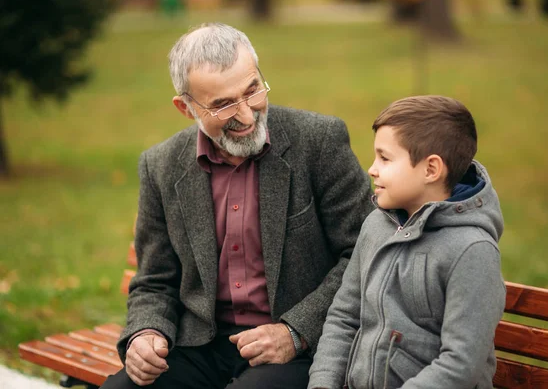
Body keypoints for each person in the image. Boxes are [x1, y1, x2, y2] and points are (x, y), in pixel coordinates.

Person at [101, 22, 373, 389]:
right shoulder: (161, 165)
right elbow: (154, 280)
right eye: (224, 104)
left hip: (301, 347)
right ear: (186, 108)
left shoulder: (319, 142)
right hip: (200, 344)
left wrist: (295, 331)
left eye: (252, 90)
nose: (246, 115)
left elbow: (363, 252)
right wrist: (145, 333)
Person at [308, 95, 506, 389]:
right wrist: (323, 384)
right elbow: (344, 318)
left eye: (385, 158)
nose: (372, 169)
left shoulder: (471, 251)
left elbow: (460, 365)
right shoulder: (376, 225)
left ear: (430, 170)